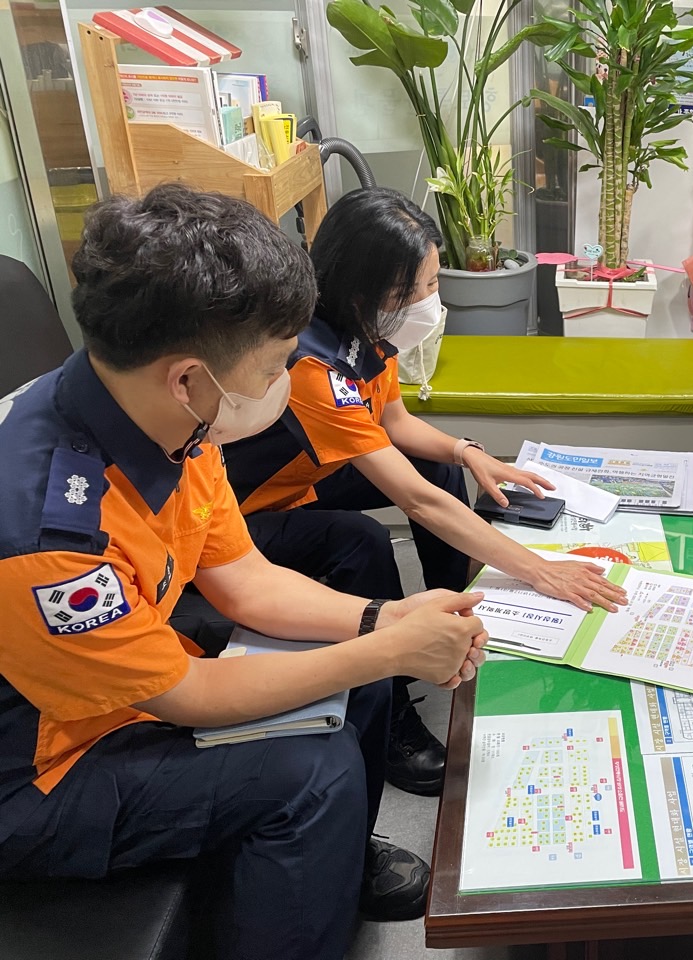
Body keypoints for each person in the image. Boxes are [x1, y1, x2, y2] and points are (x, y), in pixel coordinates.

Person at [0, 184, 488, 960]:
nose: (280, 384)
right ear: (188, 377)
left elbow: (246, 578)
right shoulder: (50, 537)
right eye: (272, 367)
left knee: (356, 674)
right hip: (40, 772)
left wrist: (379, 622)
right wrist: (388, 651)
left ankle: (336, 865)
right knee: (311, 771)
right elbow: (188, 697)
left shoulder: (169, 422)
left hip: (125, 682)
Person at [220, 188, 626, 795]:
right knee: (360, 541)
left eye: (432, 283)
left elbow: (396, 423)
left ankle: (463, 611)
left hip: (306, 478)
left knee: (439, 468)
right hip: (247, 514)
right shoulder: (313, 366)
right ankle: (391, 714)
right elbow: (417, 502)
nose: (430, 302)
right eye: (415, 290)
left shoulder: (368, 334)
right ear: (364, 289)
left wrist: (467, 452)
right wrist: (540, 571)